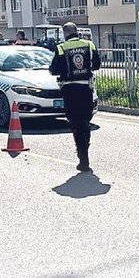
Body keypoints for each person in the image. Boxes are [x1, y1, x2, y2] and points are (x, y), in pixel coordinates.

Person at [49, 22, 101, 172]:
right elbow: (96, 65)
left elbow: (54, 70)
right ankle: (85, 148)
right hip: (86, 89)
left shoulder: (61, 48)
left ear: (65, 33)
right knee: (85, 121)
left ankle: (82, 156)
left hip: (70, 90)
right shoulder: (89, 45)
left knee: (75, 123)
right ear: (76, 31)